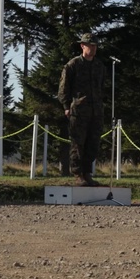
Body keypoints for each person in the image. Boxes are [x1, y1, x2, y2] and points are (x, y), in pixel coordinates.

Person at [58, 32, 105, 186]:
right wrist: (66, 107)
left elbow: (102, 87)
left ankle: (87, 173)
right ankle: (78, 174)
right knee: (78, 144)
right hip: (79, 111)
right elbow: (64, 88)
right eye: (90, 45)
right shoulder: (73, 65)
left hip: (96, 111)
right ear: (82, 46)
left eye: (95, 45)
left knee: (93, 143)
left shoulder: (100, 66)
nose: (93, 48)